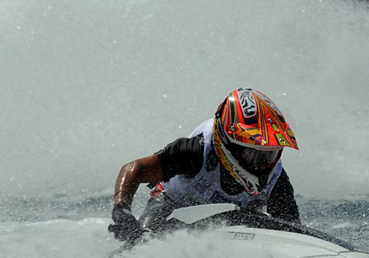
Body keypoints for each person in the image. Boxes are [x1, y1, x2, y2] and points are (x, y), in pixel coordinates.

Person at [109, 87, 301, 244]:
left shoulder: (276, 178)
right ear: (230, 144)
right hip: (172, 206)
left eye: (270, 153)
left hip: (236, 222)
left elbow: (293, 231)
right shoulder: (195, 151)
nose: (263, 164)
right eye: (254, 153)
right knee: (141, 244)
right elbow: (135, 169)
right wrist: (121, 211)